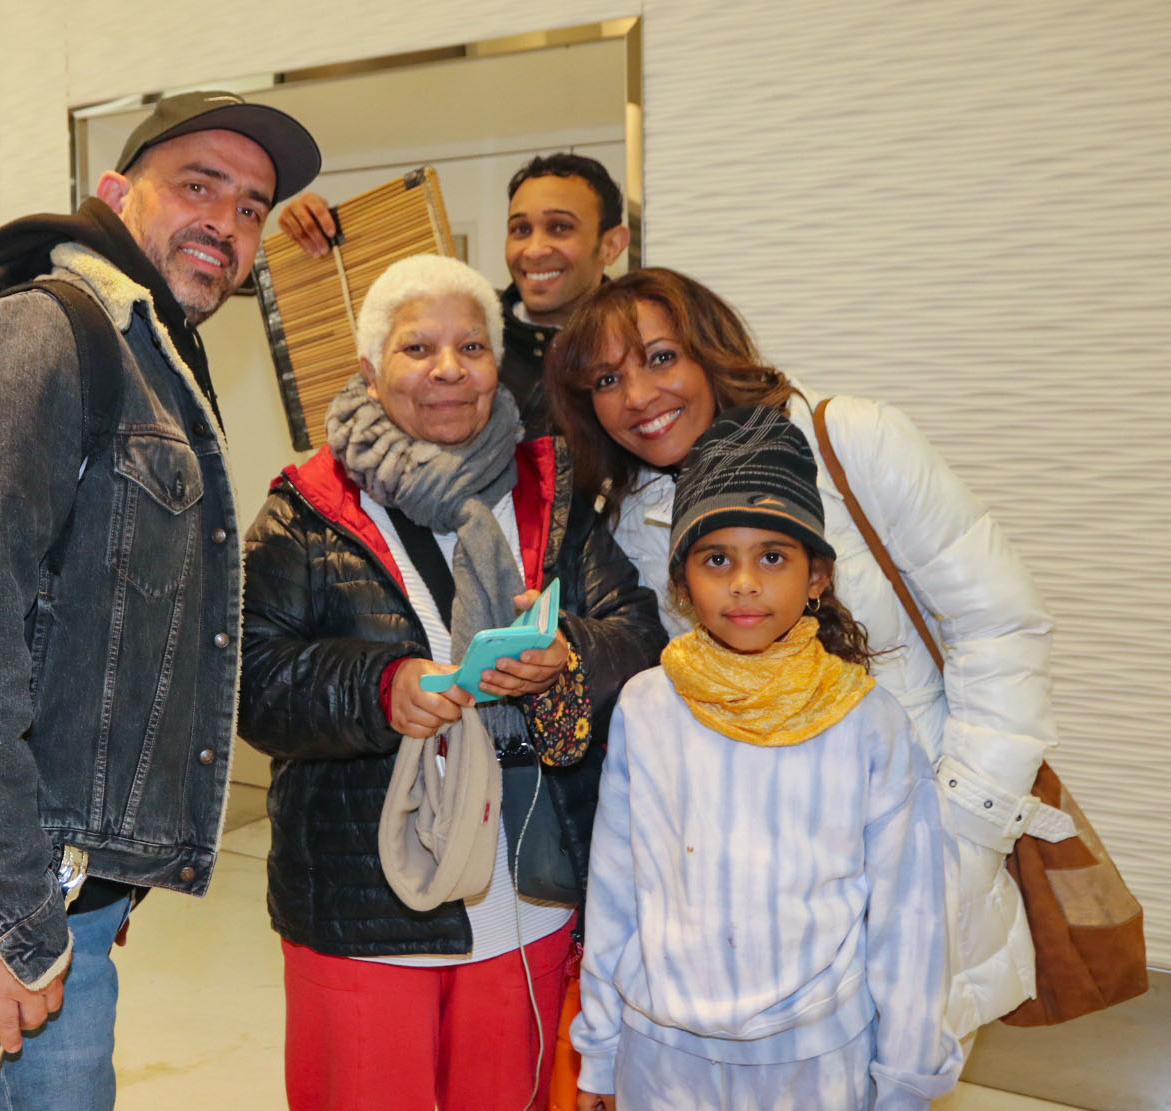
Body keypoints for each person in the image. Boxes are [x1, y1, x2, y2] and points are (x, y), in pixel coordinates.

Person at [0, 91, 321, 1110]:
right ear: (112, 195)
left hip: (54, 885)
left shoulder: (152, 363)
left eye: (251, 208)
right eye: (199, 185)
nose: (228, 222)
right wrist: (6, 912)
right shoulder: (35, 341)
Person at [544, 268, 1059, 1040]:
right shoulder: (631, 517)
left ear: (710, 351)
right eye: (607, 379)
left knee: (893, 1065)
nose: (637, 396)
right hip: (756, 902)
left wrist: (962, 828)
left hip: (910, 846)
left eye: (659, 357)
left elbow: (999, 626)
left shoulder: (850, 439)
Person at [239, 254, 665, 1110]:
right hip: (367, 899)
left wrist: (567, 657)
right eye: (416, 347)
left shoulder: (552, 489)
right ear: (369, 370)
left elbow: (638, 629)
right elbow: (251, 675)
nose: (446, 369)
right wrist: (381, 686)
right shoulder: (306, 507)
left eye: (470, 346)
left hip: (527, 891)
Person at [571, 406, 964, 1110]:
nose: (744, 582)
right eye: (717, 558)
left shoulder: (869, 721)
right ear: (683, 583)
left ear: (816, 575)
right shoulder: (646, 707)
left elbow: (909, 918)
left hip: (816, 1059)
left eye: (772, 557)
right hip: (662, 1057)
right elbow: (615, 886)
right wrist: (600, 1049)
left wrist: (905, 1081)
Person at [278, 153, 629, 435]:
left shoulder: (636, 349)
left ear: (611, 246)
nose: (535, 249)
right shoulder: (465, 335)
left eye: (560, 227)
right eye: (520, 229)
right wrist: (312, 233)